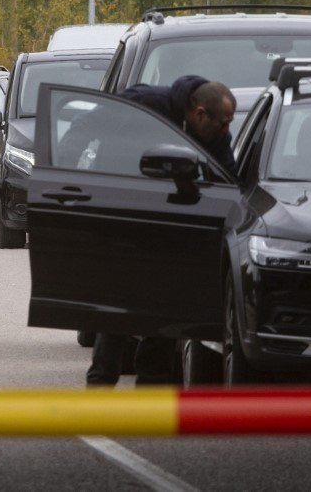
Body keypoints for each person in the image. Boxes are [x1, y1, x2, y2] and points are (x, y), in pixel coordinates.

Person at [86, 75, 237, 387]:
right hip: (125, 219)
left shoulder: (215, 135)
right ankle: (100, 384)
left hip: (172, 229)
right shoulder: (146, 103)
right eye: (222, 123)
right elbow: (87, 126)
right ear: (199, 114)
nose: (225, 131)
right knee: (118, 306)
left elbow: (226, 182)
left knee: (165, 307)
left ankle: (151, 386)